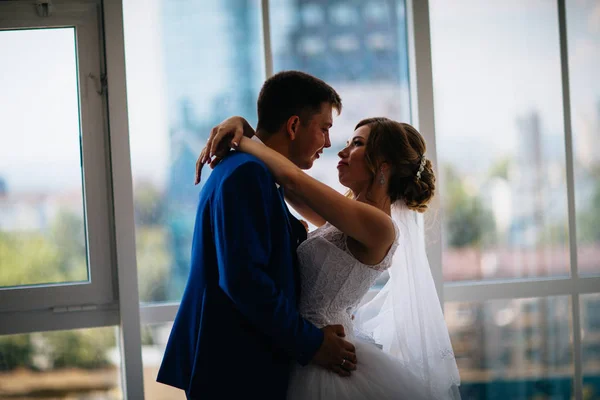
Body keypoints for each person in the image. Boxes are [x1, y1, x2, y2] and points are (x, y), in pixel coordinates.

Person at [197, 115, 462, 399]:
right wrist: (243, 127)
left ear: (383, 166)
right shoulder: (345, 217)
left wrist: (242, 139)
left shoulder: (379, 226)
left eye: (357, 144)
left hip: (325, 361)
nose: (342, 151)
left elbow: (293, 179)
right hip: (305, 347)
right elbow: (287, 186)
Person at [157, 71, 358, 400]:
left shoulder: (252, 170)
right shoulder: (247, 174)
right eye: (324, 128)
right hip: (235, 368)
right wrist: (313, 344)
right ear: (293, 126)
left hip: (238, 363)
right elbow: (244, 280)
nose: (327, 143)